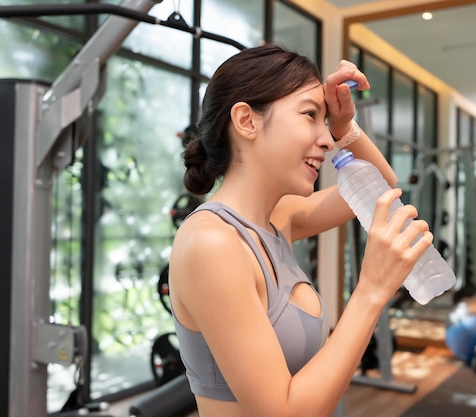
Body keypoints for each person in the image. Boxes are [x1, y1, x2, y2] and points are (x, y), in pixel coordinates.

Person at [168, 44, 433, 417]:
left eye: (325, 123)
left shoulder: (277, 217)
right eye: (310, 115)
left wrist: (344, 125)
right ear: (247, 121)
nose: (326, 140)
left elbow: (381, 189)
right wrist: (371, 289)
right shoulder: (212, 244)